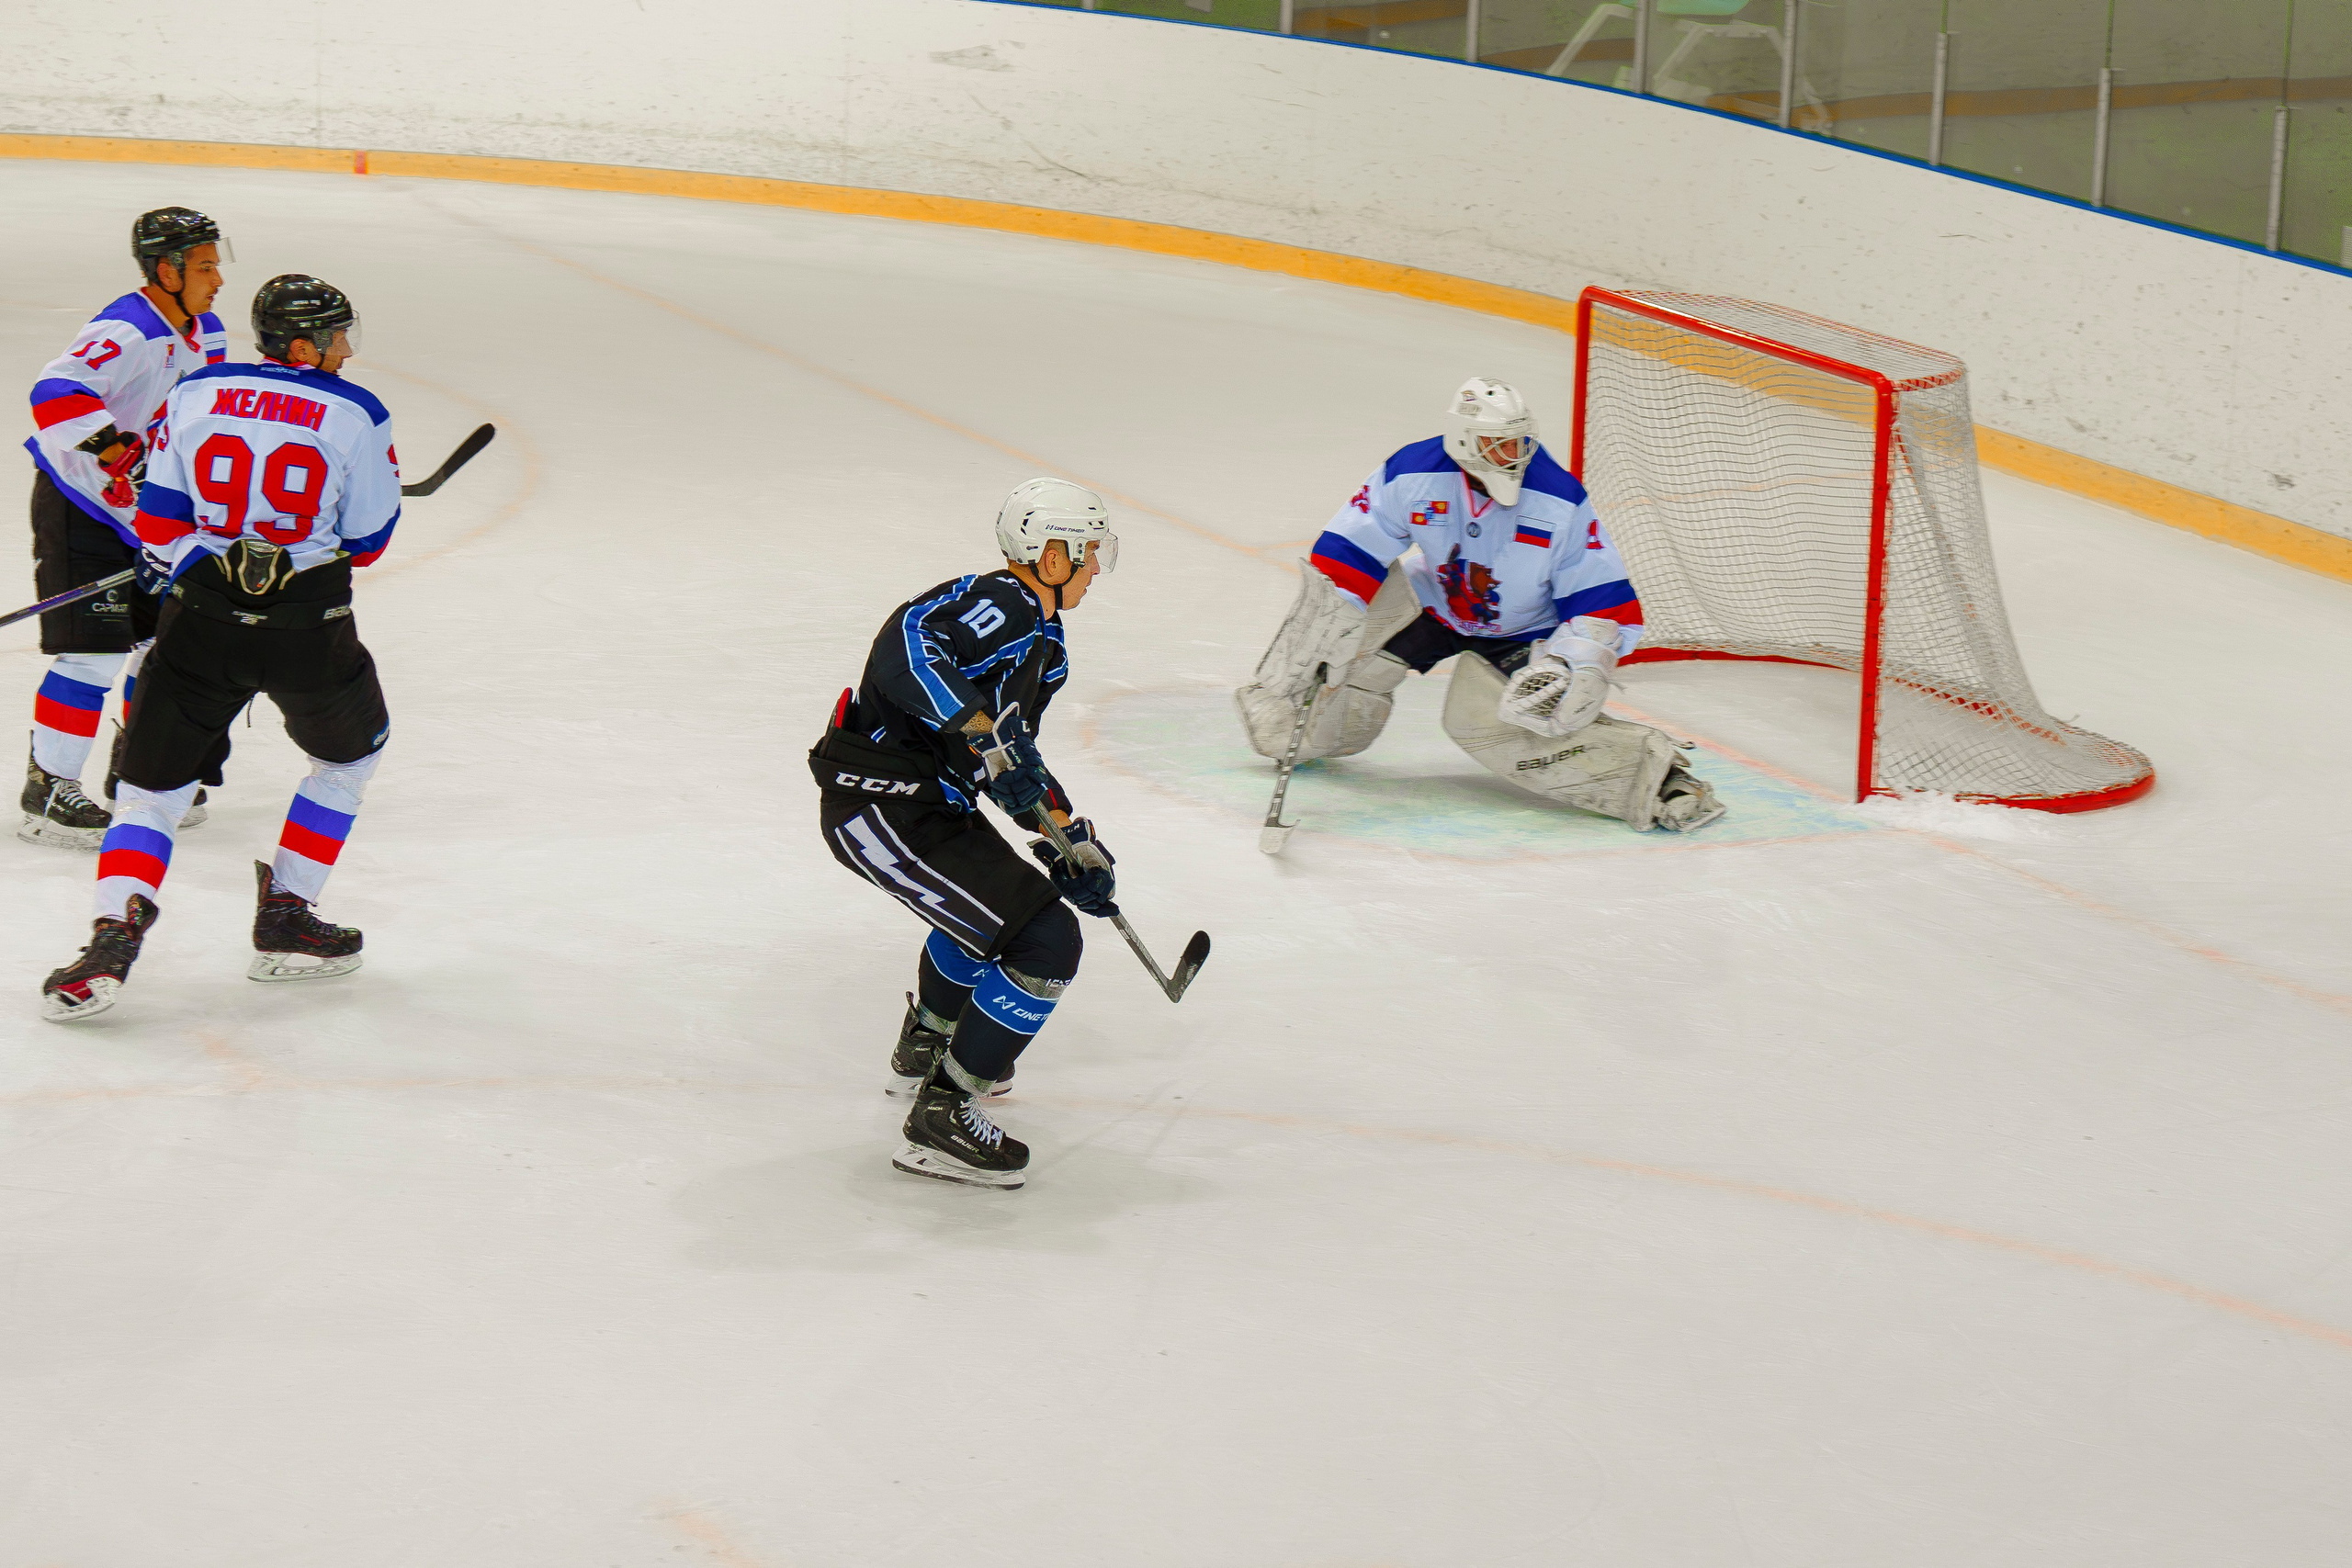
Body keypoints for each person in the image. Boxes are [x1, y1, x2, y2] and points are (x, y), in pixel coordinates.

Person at [40, 275, 401, 1022]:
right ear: (302, 345)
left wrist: (181, 557)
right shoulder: (357, 412)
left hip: (201, 620)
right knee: (346, 761)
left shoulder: (198, 391)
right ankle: (288, 913)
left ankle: (111, 937)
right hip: (308, 627)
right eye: (336, 336)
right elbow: (368, 540)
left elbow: (160, 520)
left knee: (149, 793)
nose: (344, 350)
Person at [810, 478, 1123, 1190]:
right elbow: (906, 649)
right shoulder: (1004, 603)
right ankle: (942, 1116)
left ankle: (929, 1045)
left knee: (1010, 914)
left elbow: (1010, 757)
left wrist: (1068, 838)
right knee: (1046, 941)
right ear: (1053, 557)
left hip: (926, 808)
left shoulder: (1044, 642)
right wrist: (984, 737)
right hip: (881, 804)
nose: (1097, 568)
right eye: (1090, 553)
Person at [1236, 378, 1723, 832]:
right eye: (1500, 444)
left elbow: (1602, 601)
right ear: (1465, 441)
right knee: (1338, 647)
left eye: (1521, 441)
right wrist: (1329, 625)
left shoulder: (1558, 498)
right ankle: (1298, 722)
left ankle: (1656, 778)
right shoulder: (1412, 472)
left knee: (1487, 722)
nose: (1516, 454)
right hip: (1433, 605)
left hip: (1525, 631)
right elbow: (1350, 550)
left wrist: (1576, 663)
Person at [21, 207, 230, 848]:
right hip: (82, 505)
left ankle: (137, 771)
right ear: (166, 271)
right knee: (94, 653)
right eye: (205, 266)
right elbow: (53, 392)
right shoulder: (128, 328)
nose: (218, 279)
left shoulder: (209, 332)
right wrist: (117, 452)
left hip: (149, 517)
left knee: (160, 649)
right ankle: (50, 786)